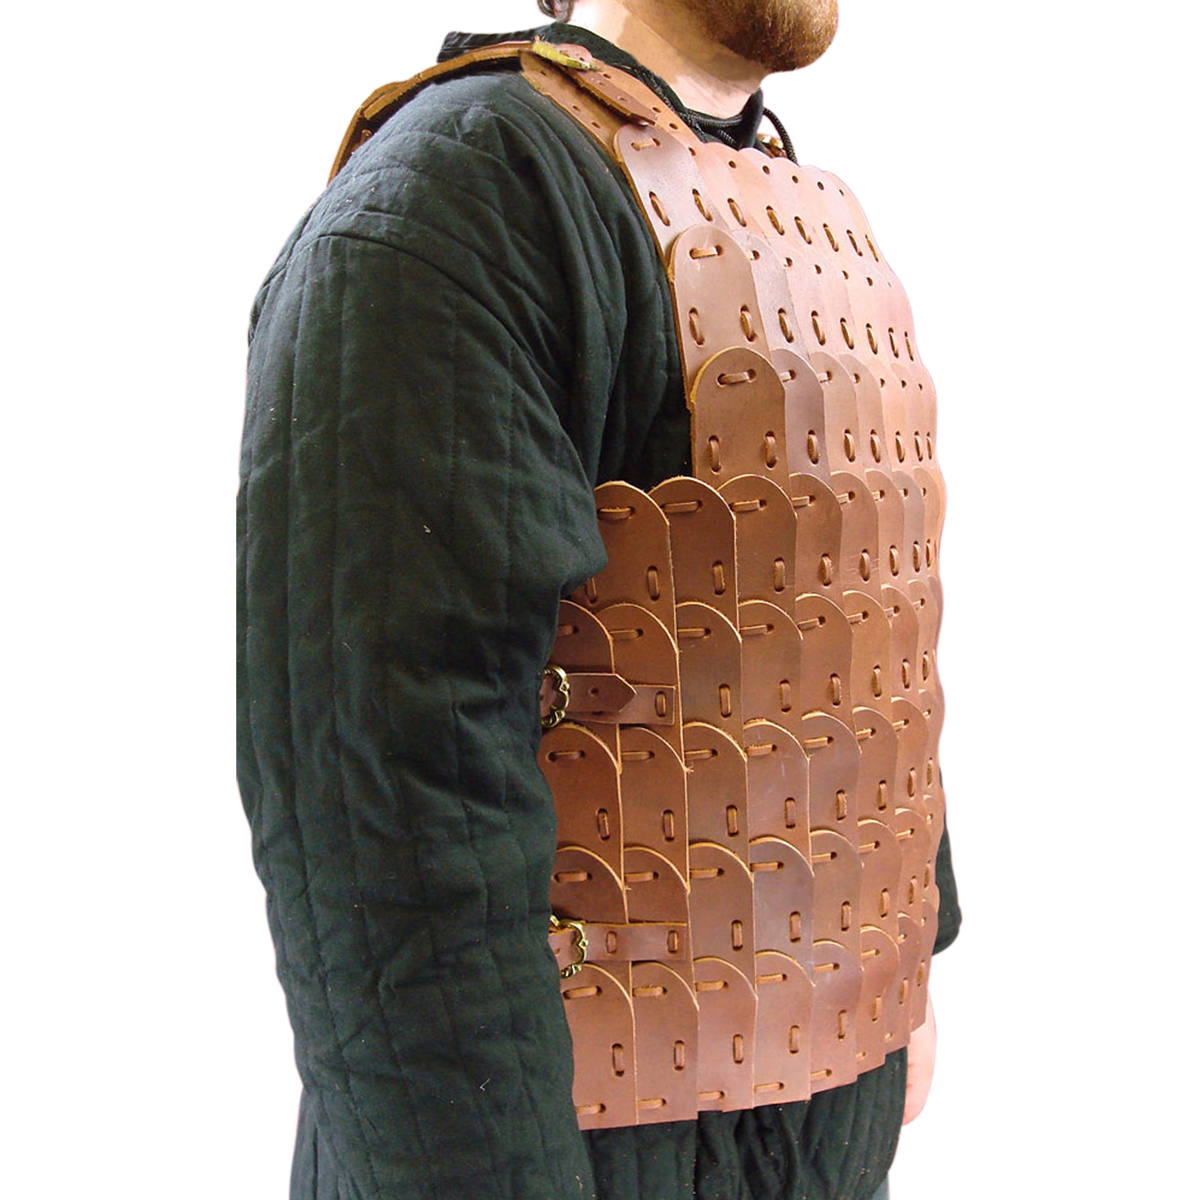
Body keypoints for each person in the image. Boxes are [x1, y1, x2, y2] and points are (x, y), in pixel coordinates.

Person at [236, 2, 961, 1197]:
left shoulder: (802, 206)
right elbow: (381, 806)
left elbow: (857, 639)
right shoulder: (460, 198)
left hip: (815, 1109)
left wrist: (908, 956)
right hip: (567, 1142)